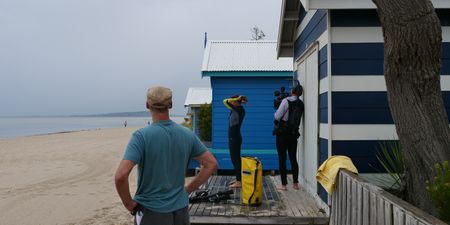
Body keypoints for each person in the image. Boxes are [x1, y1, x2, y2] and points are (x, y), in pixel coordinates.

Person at [115, 86, 217, 225]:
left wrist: (129, 204)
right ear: (170, 105)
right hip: (180, 211)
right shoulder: (187, 134)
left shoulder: (141, 137)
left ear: (147, 105)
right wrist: (188, 189)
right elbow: (211, 164)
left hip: (151, 211)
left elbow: (121, 176)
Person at [274, 85, 304, 191]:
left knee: (282, 159)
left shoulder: (286, 101)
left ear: (293, 91)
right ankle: (295, 183)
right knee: (293, 158)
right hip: (294, 133)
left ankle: (284, 185)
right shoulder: (301, 103)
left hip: (283, 133)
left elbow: (277, 116)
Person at [223, 95, 247, 188]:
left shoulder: (238, 110)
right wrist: (238, 99)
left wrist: (238, 99)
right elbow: (226, 101)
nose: (231, 102)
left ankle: (239, 181)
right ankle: (238, 179)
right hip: (235, 137)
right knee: (236, 159)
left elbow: (225, 100)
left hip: (234, 138)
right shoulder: (237, 109)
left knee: (235, 159)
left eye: (233, 101)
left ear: (236, 101)